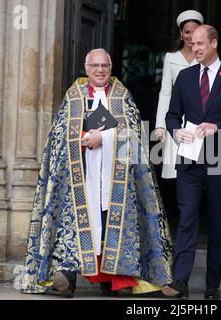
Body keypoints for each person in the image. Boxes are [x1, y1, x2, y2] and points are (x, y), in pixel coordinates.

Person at [21, 49, 173, 298]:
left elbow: (134, 137)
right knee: (77, 226)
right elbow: (59, 136)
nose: (100, 70)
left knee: (107, 225)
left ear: (111, 68)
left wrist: (103, 137)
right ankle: (66, 279)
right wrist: (83, 138)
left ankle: (112, 280)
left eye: (104, 65)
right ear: (86, 68)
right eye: (95, 66)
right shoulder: (74, 96)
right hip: (81, 175)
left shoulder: (122, 96)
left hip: (116, 178)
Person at [162, 25, 221, 300]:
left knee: (216, 225)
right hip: (189, 161)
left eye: (201, 43)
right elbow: (171, 115)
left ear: (214, 43)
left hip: (220, 161)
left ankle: (212, 286)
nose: (195, 48)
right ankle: (180, 282)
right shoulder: (185, 77)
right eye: (192, 43)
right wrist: (176, 131)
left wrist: (219, 127)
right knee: (187, 220)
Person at [154, 9, 204, 179]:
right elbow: (165, 93)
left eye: (195, 32)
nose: (191, 36)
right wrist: (160, 125)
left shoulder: (205, 57)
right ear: (181, 34)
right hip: (177, 121)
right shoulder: (171, 57)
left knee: (201, 172)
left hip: (202, 122)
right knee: (176, 173)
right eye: (187, 32)